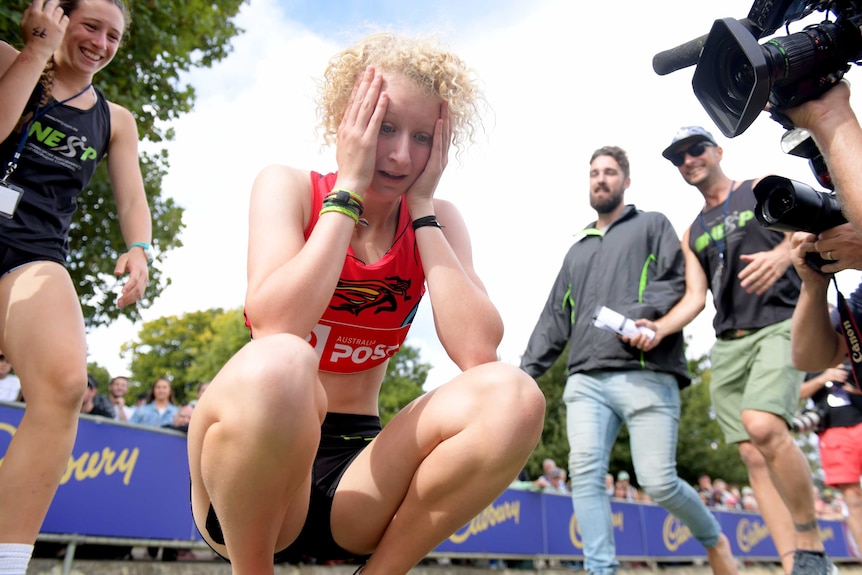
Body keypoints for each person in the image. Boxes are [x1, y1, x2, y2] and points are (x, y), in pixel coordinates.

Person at [186, 32, 545, 575]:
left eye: (422, 136)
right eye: (384, 127)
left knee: (515, 395)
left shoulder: (439, 218)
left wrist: (422, 210)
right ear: (345, 120)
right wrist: (348, 192)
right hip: (255, 465)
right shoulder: (289, 186)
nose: (401, 154)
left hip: (359, 476)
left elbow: (478, 353)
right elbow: (275, 325)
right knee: (284, 360)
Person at [520, 145, 735, 575]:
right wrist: (525, 374)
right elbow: (554, 317)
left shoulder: (652, 224)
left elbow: (677, 281)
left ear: (627, 181)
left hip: (645, 372)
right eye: (595, 173)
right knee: (584, 473)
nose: (601, 179)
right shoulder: (577, 249)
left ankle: (714, 539)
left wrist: (645, 314)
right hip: (585, 379)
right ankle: (601, 569)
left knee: (658, 481)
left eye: (611, 172)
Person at [632, 125, 832, 575]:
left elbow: (814, 223)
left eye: (696, 148)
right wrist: (657, 328)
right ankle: (792, 564)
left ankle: (810, 542)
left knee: (763, 426)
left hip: (782, 324)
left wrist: (783, 255)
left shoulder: (761, 188)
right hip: (729, 345)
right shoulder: (692, 231)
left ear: (718, 150)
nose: (689, 159)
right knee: (751, 456)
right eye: (679, 156)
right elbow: (694, 298)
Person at [0, 0, 151, 572]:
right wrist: (36, 52)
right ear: (57, 16)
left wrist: (139, 249)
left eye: (113, 35)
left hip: (34, 255)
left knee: (65, 384)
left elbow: (133, 197)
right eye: (91, 25)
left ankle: (7, 561)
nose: (101, 43)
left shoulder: (117, 120)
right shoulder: (9, 59)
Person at [790, 232, 862, 555]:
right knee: (853, 499)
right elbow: (802, 370)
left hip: (858, 415)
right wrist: (814, 285)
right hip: (832, 427)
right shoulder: (828, 338)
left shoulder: (851, 315)